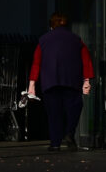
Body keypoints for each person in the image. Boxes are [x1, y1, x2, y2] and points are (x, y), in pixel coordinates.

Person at [27, 12, 94, 151]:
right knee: (74, 108)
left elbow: (36, 63)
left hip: (50, 81)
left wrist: (32, 84)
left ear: (51, 26)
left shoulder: (43, 40)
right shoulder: (76, 39)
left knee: (54, 113)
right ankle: (69, 132)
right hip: (72, 81)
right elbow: (86, 60)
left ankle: (55, 143)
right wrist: (86, 80)